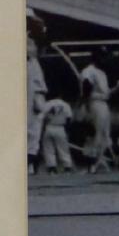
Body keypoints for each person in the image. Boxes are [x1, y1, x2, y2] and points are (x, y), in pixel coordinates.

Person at [78, 46, 119, 173]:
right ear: (96, 57)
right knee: (96, 133)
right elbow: (86, 86)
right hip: (94, 103)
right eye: (102, 56)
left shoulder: (102, 73)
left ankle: (99, 161)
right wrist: (85, 105)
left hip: (103, 103)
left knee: (105, 134)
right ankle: (91, 164)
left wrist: (116, 88)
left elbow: (106, 93)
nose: (105, 59)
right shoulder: (89, 70)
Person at [26, 34, 48, 175]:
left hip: (35, 98)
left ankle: (30, 166)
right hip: (31, 98)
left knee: (33, 136)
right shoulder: (30, 64)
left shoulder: (34, 63)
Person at [40, 97, 75, 174]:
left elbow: (41, 117)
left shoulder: (47, 104)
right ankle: (67, 167)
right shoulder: (65, 104)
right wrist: (67, 130)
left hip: (49, 127)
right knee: (63, 149)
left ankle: (52, 168)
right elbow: (69, 118)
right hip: (60, 127)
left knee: (48, 149)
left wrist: (42, 130)